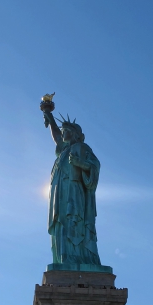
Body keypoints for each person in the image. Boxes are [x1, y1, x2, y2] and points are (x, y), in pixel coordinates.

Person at [42, 106, 103, 268]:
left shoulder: (82, 148)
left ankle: (81, 258)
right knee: (61, 223)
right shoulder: (63, 150)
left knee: (74, 222)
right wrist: (49, 115)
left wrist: (80, 163)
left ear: (76, 134)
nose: (63, 133)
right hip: (60, 191)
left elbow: (95, 165)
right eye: (63, 130)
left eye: (67, 130)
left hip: (75, 191)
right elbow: (56, 136)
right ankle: (64, 258)